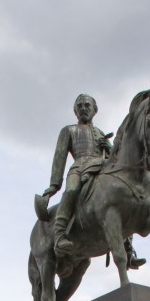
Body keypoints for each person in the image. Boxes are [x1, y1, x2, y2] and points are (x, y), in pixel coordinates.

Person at [42, 93, 112, 256]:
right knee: (72, 190)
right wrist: (54, 185)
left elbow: (113, 158)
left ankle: (128, 247)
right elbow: (59, 158)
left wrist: (108, 148)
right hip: (79, 168)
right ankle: (59, 234)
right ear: (75, 111)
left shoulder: (101, 133)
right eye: (79, 106)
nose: (83, 108)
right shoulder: (69, 130)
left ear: (95, 109)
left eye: (87, 105)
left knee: (119, 195)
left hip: (100, 168)